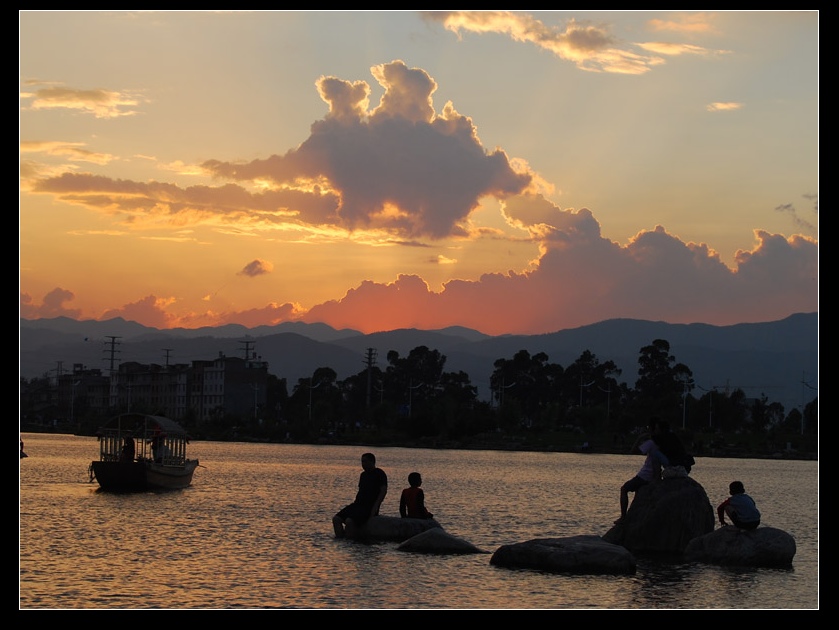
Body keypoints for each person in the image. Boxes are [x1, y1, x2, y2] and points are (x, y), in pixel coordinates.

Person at [616, 423, 664, 524]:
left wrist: (639, 438)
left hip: (645, 475)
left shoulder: (651, 443)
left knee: (624, 489)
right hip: (654, 475)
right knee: (638, 493)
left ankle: (623, 517)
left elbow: (633, 451)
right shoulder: (662, 442)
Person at [333, 452, 388, 538]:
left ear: (372, 462)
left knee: (349, 521)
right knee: (336, 519)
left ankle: (350, 540)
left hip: (368, 507)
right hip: (357, 505)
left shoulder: (379, 473)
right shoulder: (363, 475)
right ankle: (340, 541)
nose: (363, 464)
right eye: (362, 462)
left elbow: (383, 491)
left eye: (365, 461)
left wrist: (375, 507)